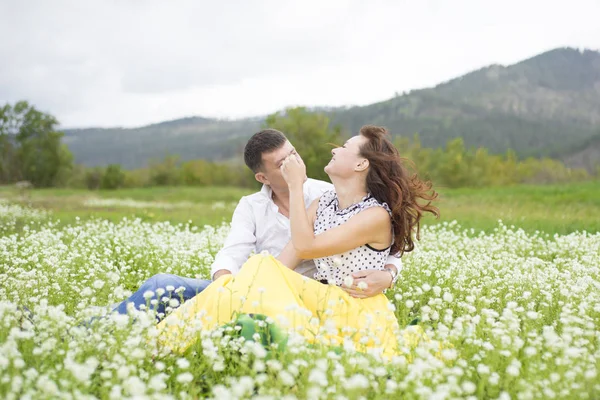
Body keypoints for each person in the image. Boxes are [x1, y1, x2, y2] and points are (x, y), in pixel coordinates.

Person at [155, 125, 439, 358]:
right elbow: (280, 264)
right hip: (318, 298)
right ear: (262, 177)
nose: (333, 149)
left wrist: (389, 274)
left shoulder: (374, 214)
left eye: (343, 147)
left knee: (255, 275)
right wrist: (243, 290)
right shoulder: (324, 201)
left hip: (353, 309)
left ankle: (165, 343)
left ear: (361, 163)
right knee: (258, 269)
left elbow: (305, 247)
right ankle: (166, 342)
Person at [112, 129, 403, 320]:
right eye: (282, 164)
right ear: (262, 177)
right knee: (164, 285)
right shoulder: (256, 206)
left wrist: (390, 274)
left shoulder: (326, 193)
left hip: (314, 300)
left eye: (294, 155)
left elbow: (384, 243)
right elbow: (238, 255)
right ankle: (96, 331)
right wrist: (229, 288)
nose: (293, 164)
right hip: (270, 288)